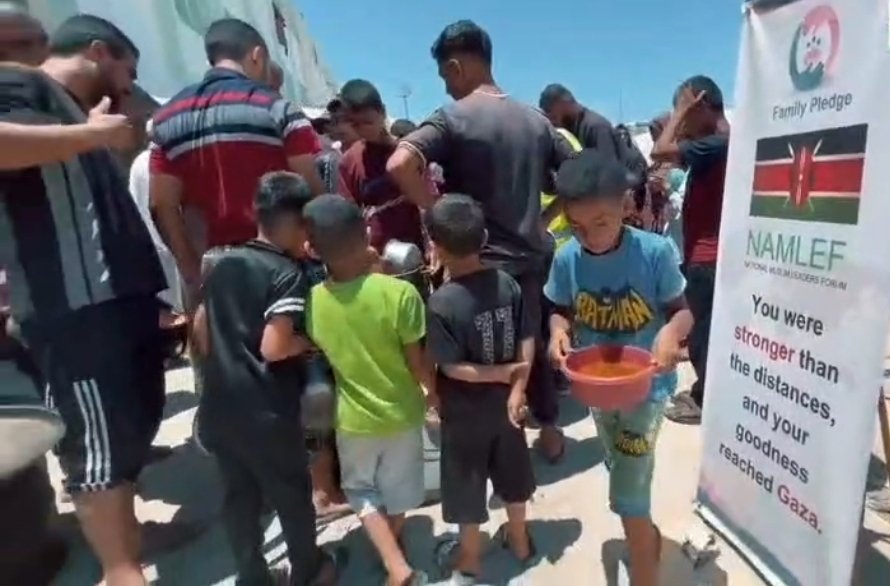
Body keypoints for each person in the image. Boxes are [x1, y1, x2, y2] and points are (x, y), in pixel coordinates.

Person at [0, 14, 169, 585]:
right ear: (99, 52)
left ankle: (129, 549)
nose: (128, 85)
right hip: (74, 307)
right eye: (127, 70)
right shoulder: (21, 81)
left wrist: (92, 127)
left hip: (113, 301)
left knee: (122, 431)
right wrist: (95, 134)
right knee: (94, 447)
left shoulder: (65, 107)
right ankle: (121, 572)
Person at [387, 20, 573, 462]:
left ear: (456, 65)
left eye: (444, 76)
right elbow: (577, 175)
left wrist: (439, 216)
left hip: (481, 263)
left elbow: (399, 164)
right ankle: (549, 432)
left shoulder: (452, 117)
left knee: (487, 359)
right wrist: (545, 217)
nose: (446, 87)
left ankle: (503, 453)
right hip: (535, 258)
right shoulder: (536, 120)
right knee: (536, 342)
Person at [545, 150, 693, 586]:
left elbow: (682, 312)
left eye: (601, 224)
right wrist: (557, 332)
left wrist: (669, 334)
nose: (588, 237)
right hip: (597, 389)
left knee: (628, 490)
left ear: (626, 206)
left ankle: (645, 569)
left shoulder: (655, 251)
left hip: (646, 390)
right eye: (577, 227)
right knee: (621, 465)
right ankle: (646, 536)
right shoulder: (567, 257)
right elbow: (558, 308)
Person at [192, 172, 339, 585]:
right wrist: (307, 342)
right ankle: (308, 572)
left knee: (240, 498)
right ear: (296, 221)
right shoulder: (284, 272)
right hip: (266, 409)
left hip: (219, 405)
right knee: (291, 494)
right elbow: (274, 347)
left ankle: (253, 576)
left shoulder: (222, 264)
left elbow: (201, 332)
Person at [303, 194, 433, 586]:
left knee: (361, 493)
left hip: (353, 419)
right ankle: (395, 564)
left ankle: (393, 559)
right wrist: (435, 396)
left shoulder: (312, 302)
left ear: (310, 249)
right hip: (404, 412)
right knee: (398, 493)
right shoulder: (401, 294)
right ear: (367, 234)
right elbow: (418, 365)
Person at [149, 17, 324, 307]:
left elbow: (160, 204)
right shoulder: (278, 109)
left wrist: (192, 271)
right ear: (257, 55)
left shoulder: (166, 118)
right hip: (283, 271)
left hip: (215, 275)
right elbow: (312, 190)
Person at [424, 195, 537, 583]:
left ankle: (470, 557)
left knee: (466, 484)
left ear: (435, 247)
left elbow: (452, 367)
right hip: (508, 409)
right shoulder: (506, 282)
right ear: (485, 237)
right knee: (514, 475)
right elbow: (526, 338)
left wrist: (502, 374)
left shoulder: (441, 303)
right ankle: (520, 540)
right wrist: (517, 386)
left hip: (465, 414)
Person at [651, 75, 730, 424]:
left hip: (708, 257)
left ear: (700, 103)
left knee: (700, 331)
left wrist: (680, 113)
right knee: (708, 329)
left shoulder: (718, 142)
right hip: (706, 255)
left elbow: (659, 151)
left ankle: (705, 399)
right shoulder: (712, 144)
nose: (678, 114)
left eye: (683, 104)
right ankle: (708, 390)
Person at [337, 79, 425, 253]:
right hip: (378, 256)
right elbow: (348, 214)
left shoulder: (408, 152)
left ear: (383, 112)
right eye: (355, 124)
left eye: (368, 122)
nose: (363, 129)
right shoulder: (350, 160)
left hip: (420, 250)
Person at [539, 83, 648, 185]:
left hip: (630, 183)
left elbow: (608, 171)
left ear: (563, 104)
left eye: (551, 114)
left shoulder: (595, 126)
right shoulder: (570, 128)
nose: (551, 121)